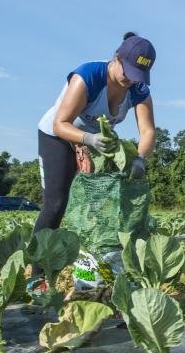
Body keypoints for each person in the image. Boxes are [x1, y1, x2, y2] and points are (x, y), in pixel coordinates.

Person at [34, 32, 157, 238]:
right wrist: (89, 139)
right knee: (56, 204)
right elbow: (60, 123)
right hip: (59, 137)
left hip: (96, 147)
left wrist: (140, 159)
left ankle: (90, 267)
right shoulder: (89, 75)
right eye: (128, 71)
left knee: (98, 207)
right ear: (117, 57)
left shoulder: (138, 88)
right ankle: (38, 266)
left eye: (137, 75)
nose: (130, 79)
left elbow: (148, 130)